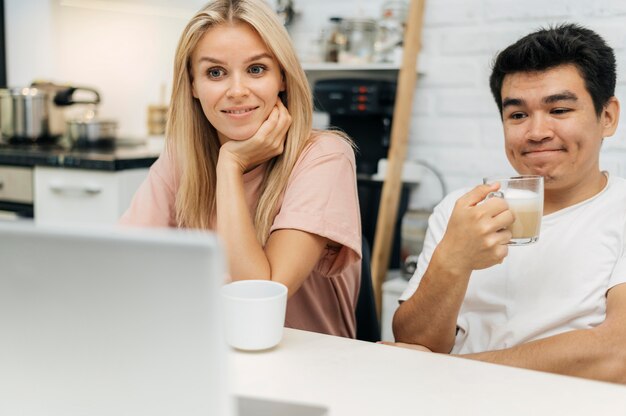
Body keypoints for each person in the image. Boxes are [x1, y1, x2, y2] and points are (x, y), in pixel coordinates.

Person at [391, 23, 626, 384]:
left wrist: (457, 369)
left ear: (607, 116)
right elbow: (414, 343)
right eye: (517, 115)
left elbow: (616, 354)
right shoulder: (463, 209)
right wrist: (452, 261)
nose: (536, 132)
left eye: (559, 110)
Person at [119, 0, 362, 338]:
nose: (237, 91)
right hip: (208, 351)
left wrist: (230, 165)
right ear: (192, 85)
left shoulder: (323, 156)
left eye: (256, 69)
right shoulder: (181, 157)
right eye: (215, 73)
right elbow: (122, 265)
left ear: (283, 77)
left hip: (307, 368)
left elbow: (259, 299)